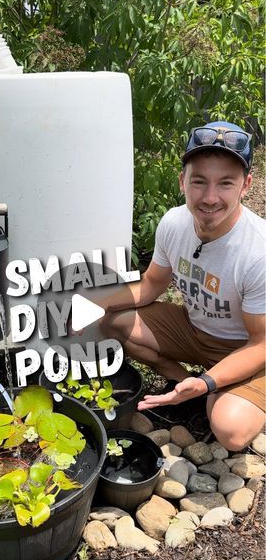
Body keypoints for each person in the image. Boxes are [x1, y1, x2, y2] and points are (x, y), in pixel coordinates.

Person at [98, 121, 265, 451]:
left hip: (245, 348)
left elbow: (261, 344)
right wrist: (96, 304)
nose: (210, 197)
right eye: (199, 182)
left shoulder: (257, 251)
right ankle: (182, 385)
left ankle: (226, 388)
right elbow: (150, 285)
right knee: (113, 322)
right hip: (194, 331)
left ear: (246, 185)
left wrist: (207, 383)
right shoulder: (174, 223)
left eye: (225, 183)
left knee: (230, 432)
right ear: (182, 181)